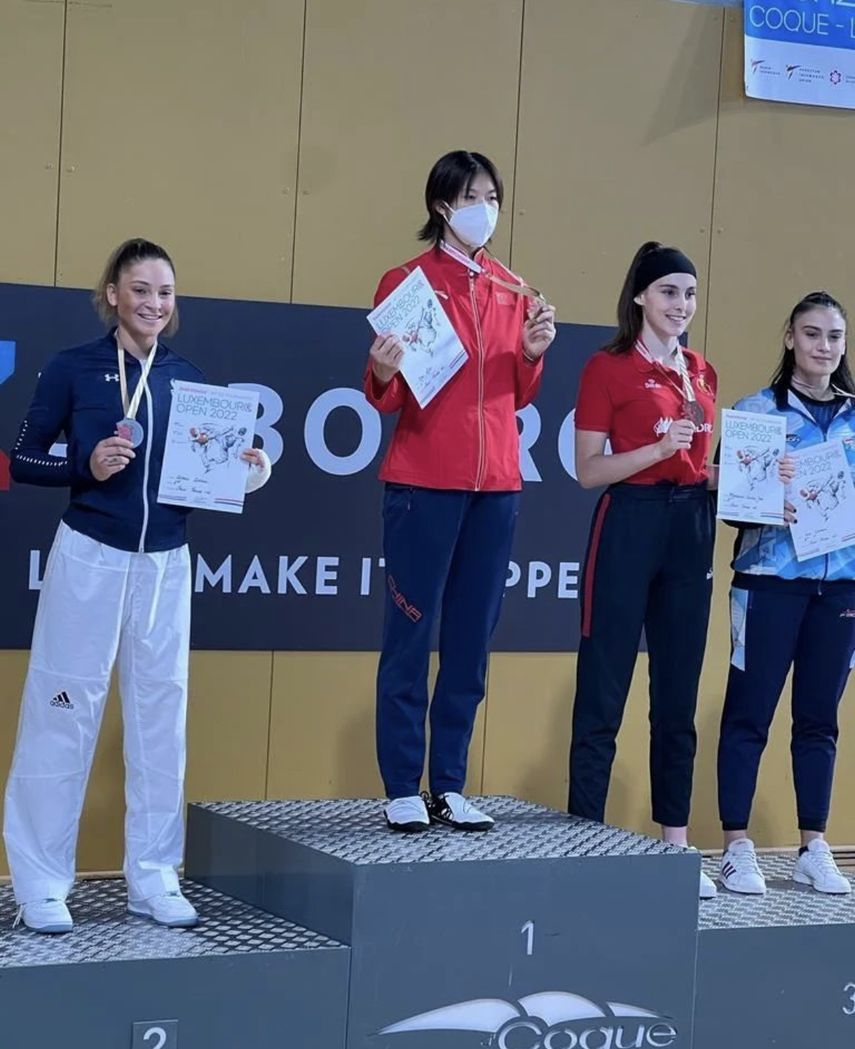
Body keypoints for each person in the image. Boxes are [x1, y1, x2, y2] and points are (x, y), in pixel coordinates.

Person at [3, 238, 271, 933]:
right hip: (90, 554)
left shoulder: (188, 378)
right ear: (113, 295)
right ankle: (39, 880)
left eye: (165, 293)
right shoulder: (73, 368)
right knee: (62, 711)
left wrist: (248, 466)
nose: (154, 303)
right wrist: (84, 464)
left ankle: (152, 875)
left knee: (160, 721)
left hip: (165, 565)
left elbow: (201, 481)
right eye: (142, 289)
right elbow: (26, 458)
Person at [364, 150, 556, 833]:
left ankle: (448, 781)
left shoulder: (513, 288)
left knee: (471, 639)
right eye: (474, 195)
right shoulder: (407, 281)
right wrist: (382, 370)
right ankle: (400, 784)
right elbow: (384, 396)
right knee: (410, 632)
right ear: (443, 204)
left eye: (494, 194)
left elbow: (518, 393)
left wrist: (532, 352)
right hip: (423, 480)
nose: (487, 207)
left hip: (497, 484)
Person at [568, 241, 718, 898]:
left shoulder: (702, 372)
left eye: (687, 293)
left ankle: (674, 843)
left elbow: (700, 466)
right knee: (603, 687)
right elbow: (586, 469)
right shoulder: (607, 367)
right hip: (627, 518)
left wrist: (754, 482)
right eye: (666, 292)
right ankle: (582, 835)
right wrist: (655, 447)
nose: (679, 305)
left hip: (690, 526)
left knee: (677, 695)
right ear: (638, 297)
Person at [717, 291, 855, 895]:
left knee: (819, 720)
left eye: (834, 336)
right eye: (812, 334)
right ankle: (735, 845)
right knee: (748, 716)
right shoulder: (758, 412)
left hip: (841, 588)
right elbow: (729, 507)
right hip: (769, 583)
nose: (823, 347)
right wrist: (770, 493)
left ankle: (814, 845)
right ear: (790, 339)